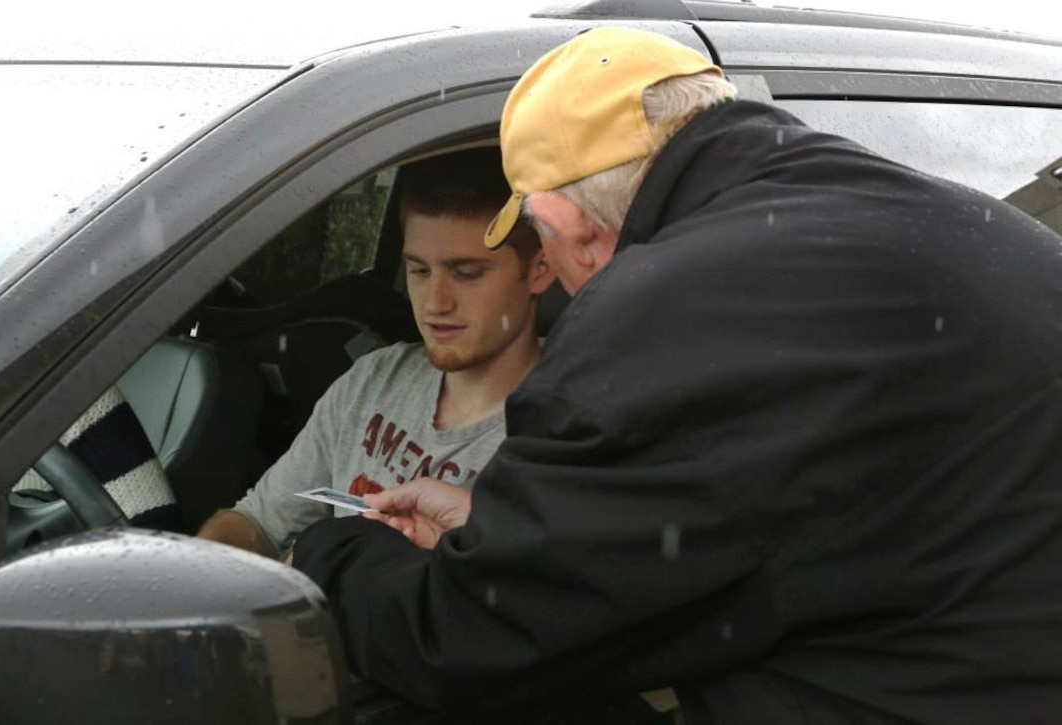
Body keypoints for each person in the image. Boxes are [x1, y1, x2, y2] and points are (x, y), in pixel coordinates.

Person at [291, 27, 1062, 723]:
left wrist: (333, 553)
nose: (560, 284)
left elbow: (468, 637)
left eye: (543, 253)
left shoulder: (667, 317)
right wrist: (495, 529)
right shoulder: (976, 229)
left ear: (567, 229)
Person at [197, 147, 555, 558]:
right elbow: (256, 523)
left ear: (540, 270)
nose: (435, 302)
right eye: (419, 270)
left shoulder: (563, 432)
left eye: (467, 274)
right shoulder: (376, 377)